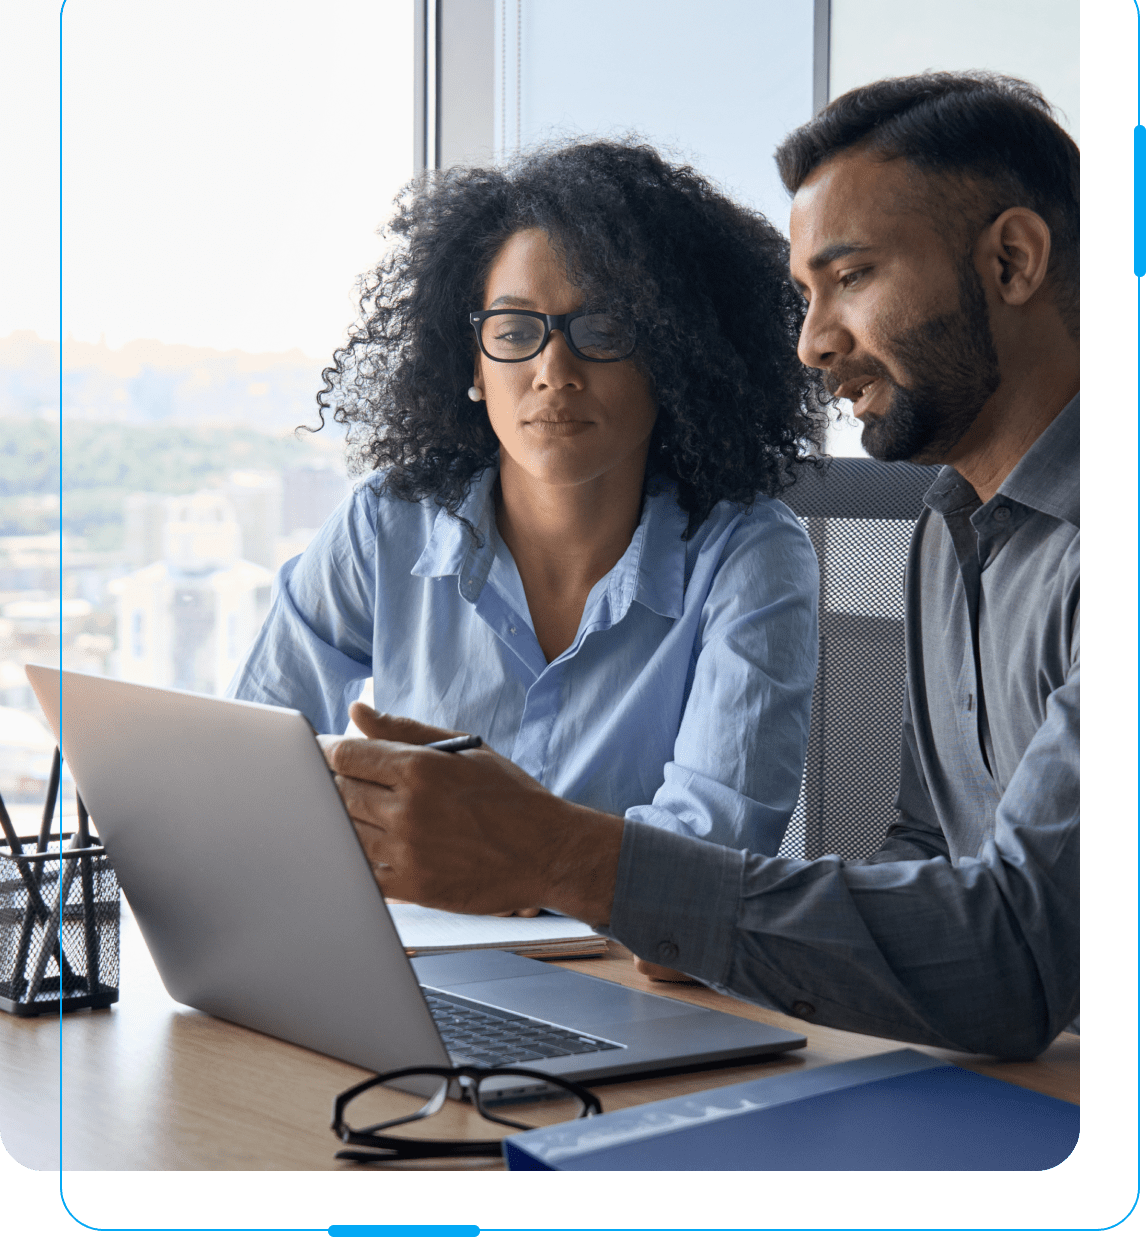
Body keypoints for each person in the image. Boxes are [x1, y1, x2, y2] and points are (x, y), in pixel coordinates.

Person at [321, 72, 1080, 1060]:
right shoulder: (949, 528)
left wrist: (574, 858)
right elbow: (928, 849)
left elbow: (1018, 957)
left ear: (1013, 260)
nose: (811, 342)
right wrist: (723, 923)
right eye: (807, 296)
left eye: (851, 279)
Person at [231, 140, 824, 866]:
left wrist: (493, 861)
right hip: (411, 955)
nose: (553, 371)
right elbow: (251, 757)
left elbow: (710, 856)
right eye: (514, 332)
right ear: (472, 365)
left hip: (628, 971)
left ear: (672, 357)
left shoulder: (751, 555)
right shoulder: (387, 524)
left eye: (602, 329)